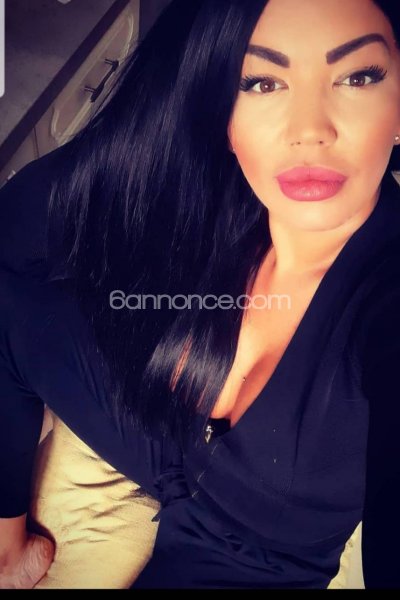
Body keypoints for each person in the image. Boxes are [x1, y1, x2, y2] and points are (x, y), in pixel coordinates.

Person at [1, 0, 400, 589]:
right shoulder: (217, 192)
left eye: (357, 76)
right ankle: (8, 554)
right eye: (262, 82)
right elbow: (20, 223)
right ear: (224, 115)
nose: (309, 130)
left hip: (250, 556)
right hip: (174, 446)